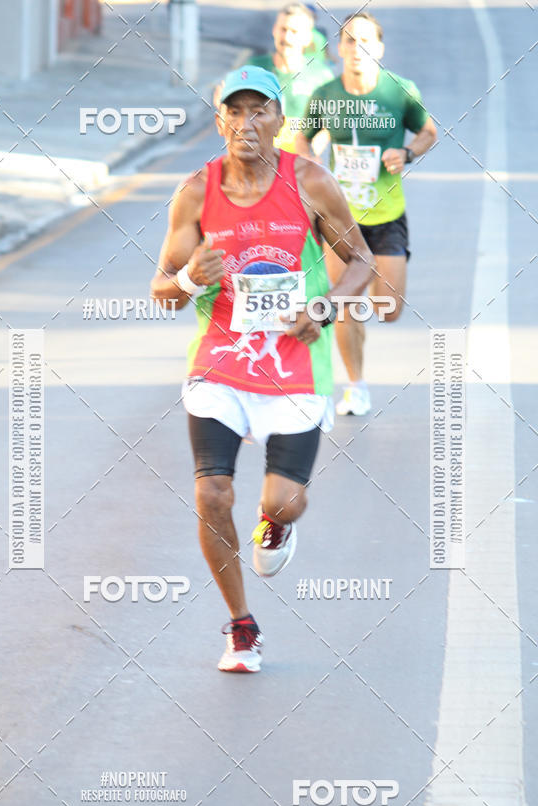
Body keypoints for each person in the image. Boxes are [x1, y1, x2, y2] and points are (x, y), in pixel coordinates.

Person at [151, 66, 372, 673]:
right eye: (235, 112)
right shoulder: (197, 191)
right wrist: (194, 275)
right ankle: (241, 626)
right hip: (220, 360)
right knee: (212, 492)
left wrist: (324, 308)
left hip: (295, 363)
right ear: (219, 119)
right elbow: (162, 292)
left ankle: (274, 525)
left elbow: (361, 259)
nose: (246, 124)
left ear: (280, 120)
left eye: (260, 112)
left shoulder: (310, 182)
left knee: (283, 502)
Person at [295, 11, 437, 415]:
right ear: (339, 48)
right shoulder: (325, 94)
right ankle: (355, 385)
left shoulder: (399, 92)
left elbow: (429, 131)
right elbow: (302, 139)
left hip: (387, 213)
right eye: (350, 42)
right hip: (341, 218)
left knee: (389, 310)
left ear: (380, 48)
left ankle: (366, 303)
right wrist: (314, 168)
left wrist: (406, 153)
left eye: (366, 42)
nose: (358, 50)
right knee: (343, 303)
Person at [244, 3, 334, 153]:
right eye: (283, 29)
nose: (287, 37)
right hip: (261, 162)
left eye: (294, 31)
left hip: (300, 165)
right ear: (274, 31)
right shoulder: (254, 69)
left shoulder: (322, 75)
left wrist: (313, 147)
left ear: (307, 38)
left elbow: (330, 123)